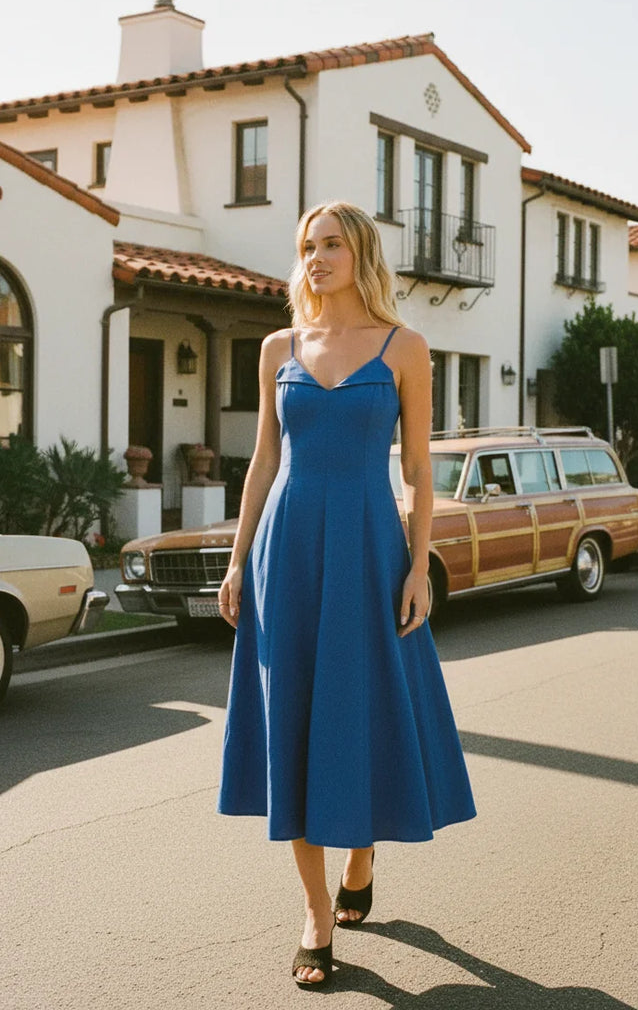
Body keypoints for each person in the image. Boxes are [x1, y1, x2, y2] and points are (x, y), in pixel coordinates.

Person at [217, 201, 476, 987]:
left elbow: (420, 471)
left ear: (360, 254)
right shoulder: (278, 347)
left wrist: (418, 565)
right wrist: (236, 561)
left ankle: (361, 858)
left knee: (356, 711)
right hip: (287, 552)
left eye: (332, 244)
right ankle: (316, 913)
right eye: (307, 246)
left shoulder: (406, 348)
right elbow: (263, 462)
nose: (317, 258)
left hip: (369, 551)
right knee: (295, 715)